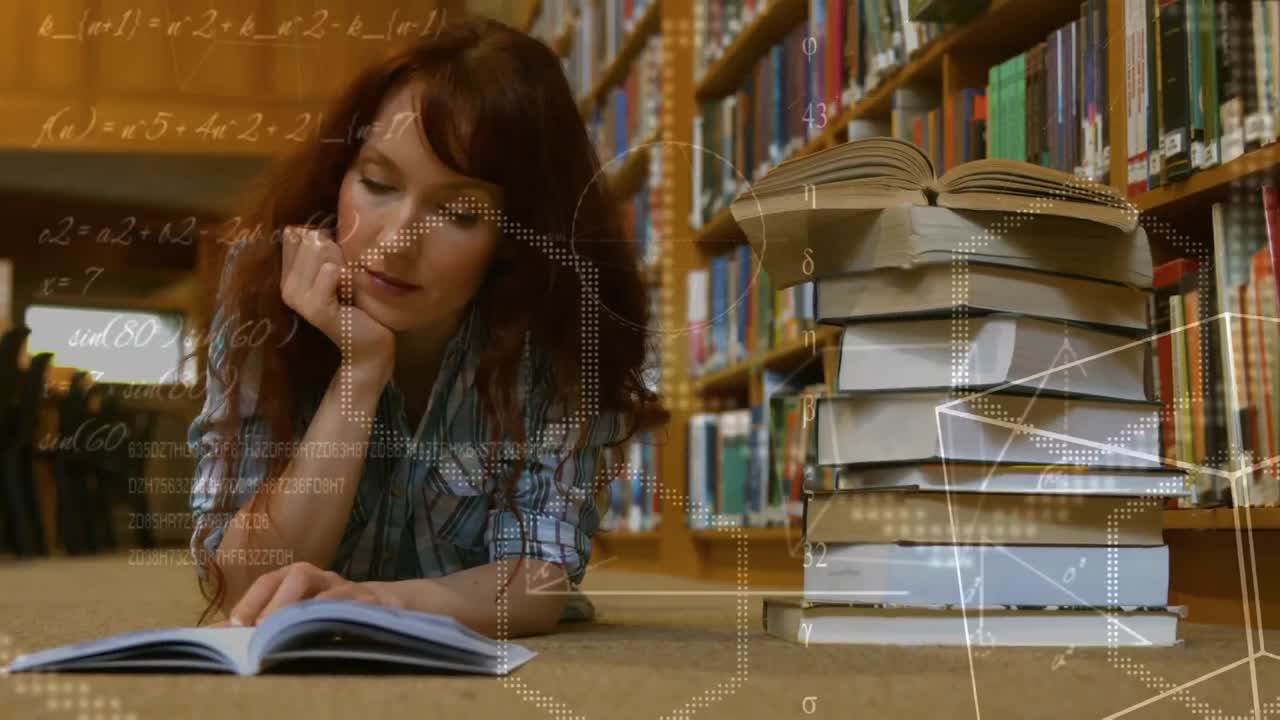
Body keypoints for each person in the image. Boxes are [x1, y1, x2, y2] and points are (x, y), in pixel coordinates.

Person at [188, 16, 666, 638]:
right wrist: (360, 373)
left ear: (514, 239)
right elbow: (243, 586)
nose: (395, 243)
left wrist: (379, 603)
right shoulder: (262, 288)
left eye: (459, 213)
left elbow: (539, 579)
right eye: (378, 184)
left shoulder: (561, 328)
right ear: (339, 177)